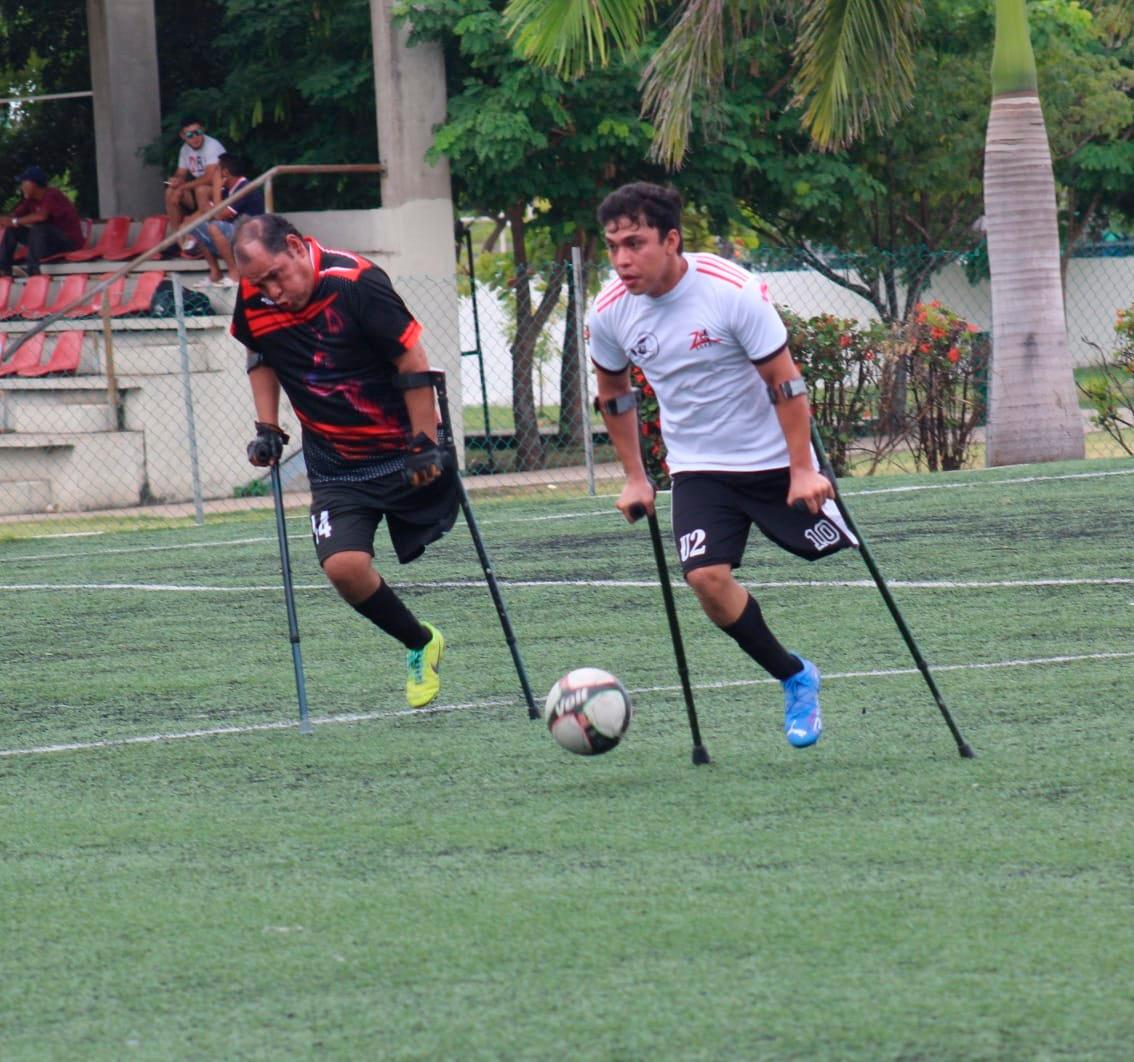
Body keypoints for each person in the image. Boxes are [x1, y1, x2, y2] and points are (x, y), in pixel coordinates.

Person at [587, 182, 857, 749]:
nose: (621, 260)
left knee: (831, 555)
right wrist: (637, 476)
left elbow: (784, 379)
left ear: (672, 239)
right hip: (698, 469)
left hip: (775, 462)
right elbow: (612, 390)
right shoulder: (611, 311)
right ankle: (795, 676)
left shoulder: (729, 291)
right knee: (706, 578)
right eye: (612, 246)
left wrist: (803, 468)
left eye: (634, 243)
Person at [229, 213, 456, 709]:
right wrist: (267, 426)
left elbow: (412, 362)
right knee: (344, 568)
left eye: (275, 275)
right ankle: (420, 642)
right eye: (258, 283)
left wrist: (425, 442)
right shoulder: (255, 299)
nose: (271, 290)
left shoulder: (357, 283)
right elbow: (259, 354)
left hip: (404, 452)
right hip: (335, 464)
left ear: (294, 246)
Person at [191, 154, 264, 288]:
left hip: (252, 235)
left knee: (214, 227)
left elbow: (218, 216)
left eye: (217, 169)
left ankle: (235, 275)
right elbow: (209, 214)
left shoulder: (244, 188)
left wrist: (217, 188)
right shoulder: (228, 189)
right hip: (235, 232)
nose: (214, 173)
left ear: (225, 172)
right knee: (197, 226)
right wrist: (205, 193)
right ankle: (215, 273)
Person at [0, 166, 84, 277]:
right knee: (12, 229)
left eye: (24, 183)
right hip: (47, 245)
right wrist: (5, 221)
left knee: (40, 227)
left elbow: (41, 217)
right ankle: (4, 269)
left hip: (68, 243)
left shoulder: (52, 194)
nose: (22, 187)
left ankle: (32, 270)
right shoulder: (30, 200)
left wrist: (15, 221)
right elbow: (13, 217)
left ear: (34, 184)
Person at [164, 117, 225, 248]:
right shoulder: (184, 149)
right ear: (183, 136)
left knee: (201, 189)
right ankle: (178, 239)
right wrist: (176, 180)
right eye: (190, 135)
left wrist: (182, 187)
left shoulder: (212, 145)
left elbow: (210, 177)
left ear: (203, 130)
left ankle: (205, 238)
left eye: (198, 132)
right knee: (170, 191)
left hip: (218, 191)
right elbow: (181, 173)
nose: (195, 137)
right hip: (197, 190)